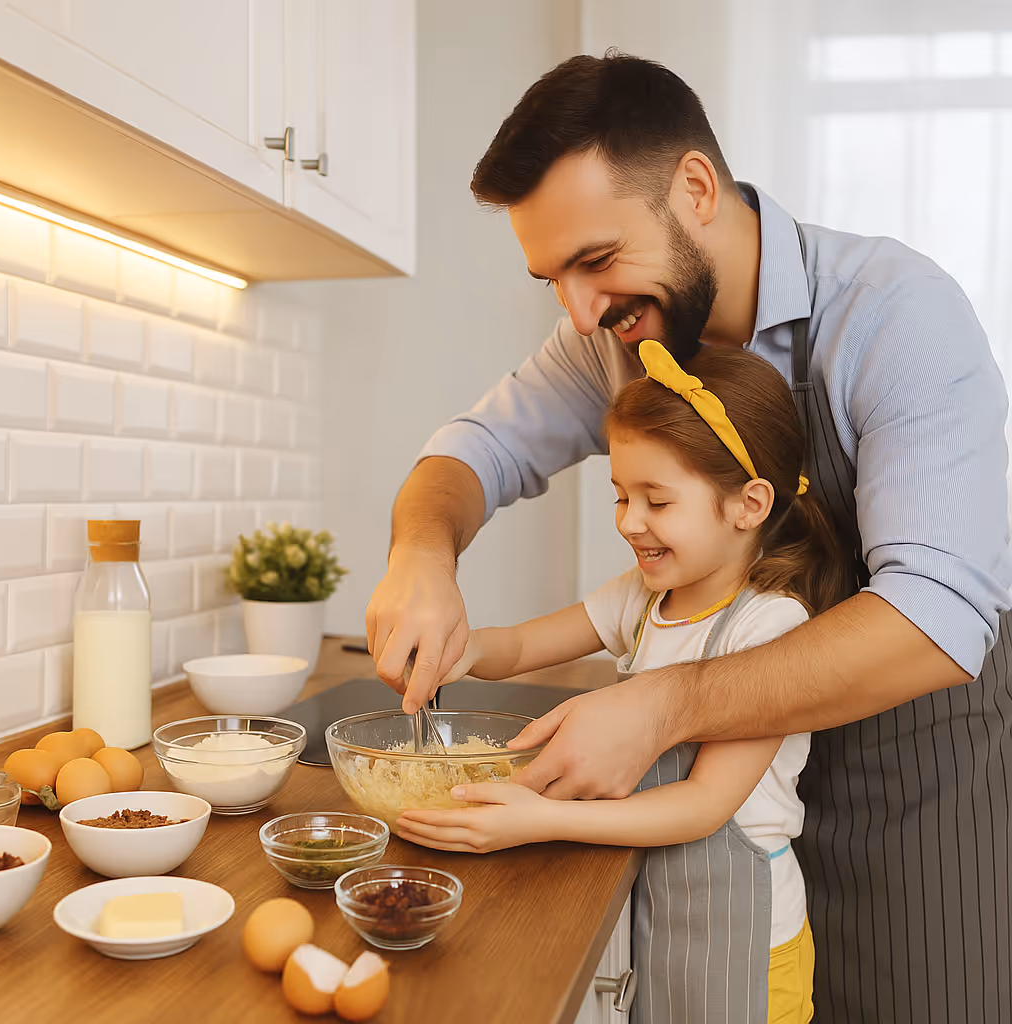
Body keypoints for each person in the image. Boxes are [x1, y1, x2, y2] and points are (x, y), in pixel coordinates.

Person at [366, 53, 1012, 1023]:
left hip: (911, 787)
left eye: (594, 261)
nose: (579, 312)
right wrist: (421, 553)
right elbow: (475, 450)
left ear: (696, 189)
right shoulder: (619, 338)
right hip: (723, 826)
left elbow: (934, 616)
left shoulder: (892, 313)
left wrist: (666, 704)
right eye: (552, 278)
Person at [397, 340, 849, 1024]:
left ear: (749, 505)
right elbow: (521, 644)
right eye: (621, 496)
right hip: (659, 910)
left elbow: (704, 805)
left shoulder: (771, 629)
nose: (630, 522)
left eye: (657, 501)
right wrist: (454, 647)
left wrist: (544, 821)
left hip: (748, 938)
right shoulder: (641, 598)